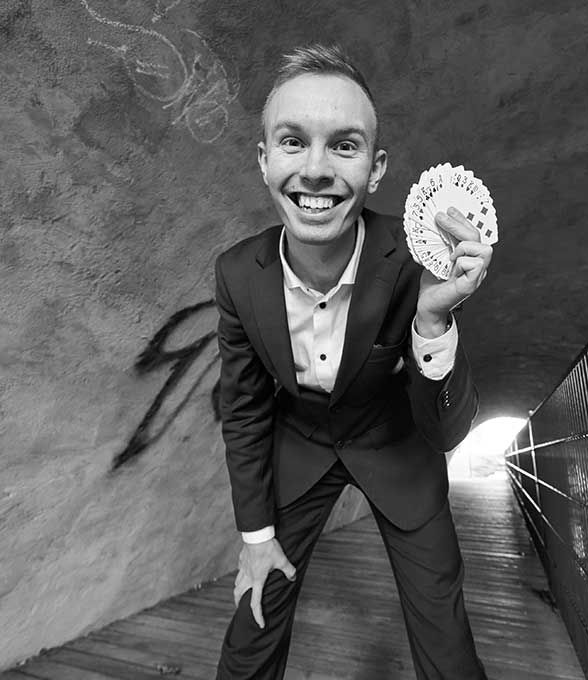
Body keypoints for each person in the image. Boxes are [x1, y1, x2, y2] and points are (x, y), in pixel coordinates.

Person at [213, 43, 492, 680]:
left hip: (399, 448)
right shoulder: (236, 274)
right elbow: (244, 410)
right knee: (252, 623)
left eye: (343, 145)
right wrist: (255, 538)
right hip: (300, 445)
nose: (315, 170)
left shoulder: (420, 260)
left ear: (376, 167)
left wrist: (433, 320)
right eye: (292, 142)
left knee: (447, 644)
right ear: (264, 160)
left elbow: (448, 430)